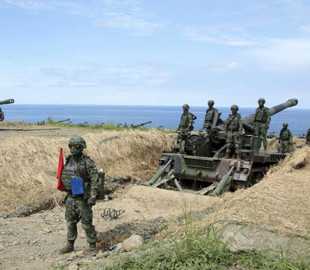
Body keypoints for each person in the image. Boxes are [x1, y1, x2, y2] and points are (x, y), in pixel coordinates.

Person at [59, 136, 99, 256]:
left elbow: (95, 180)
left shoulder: (87, 162)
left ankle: (92, 246)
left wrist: (93, 196)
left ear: (81, 147)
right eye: (71, 146)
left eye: (75, 146)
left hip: (83, 198)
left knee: (86, 224)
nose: (72, 149)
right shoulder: (68, 160)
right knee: (70, 223)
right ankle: (70, 245)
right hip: (71, 197)